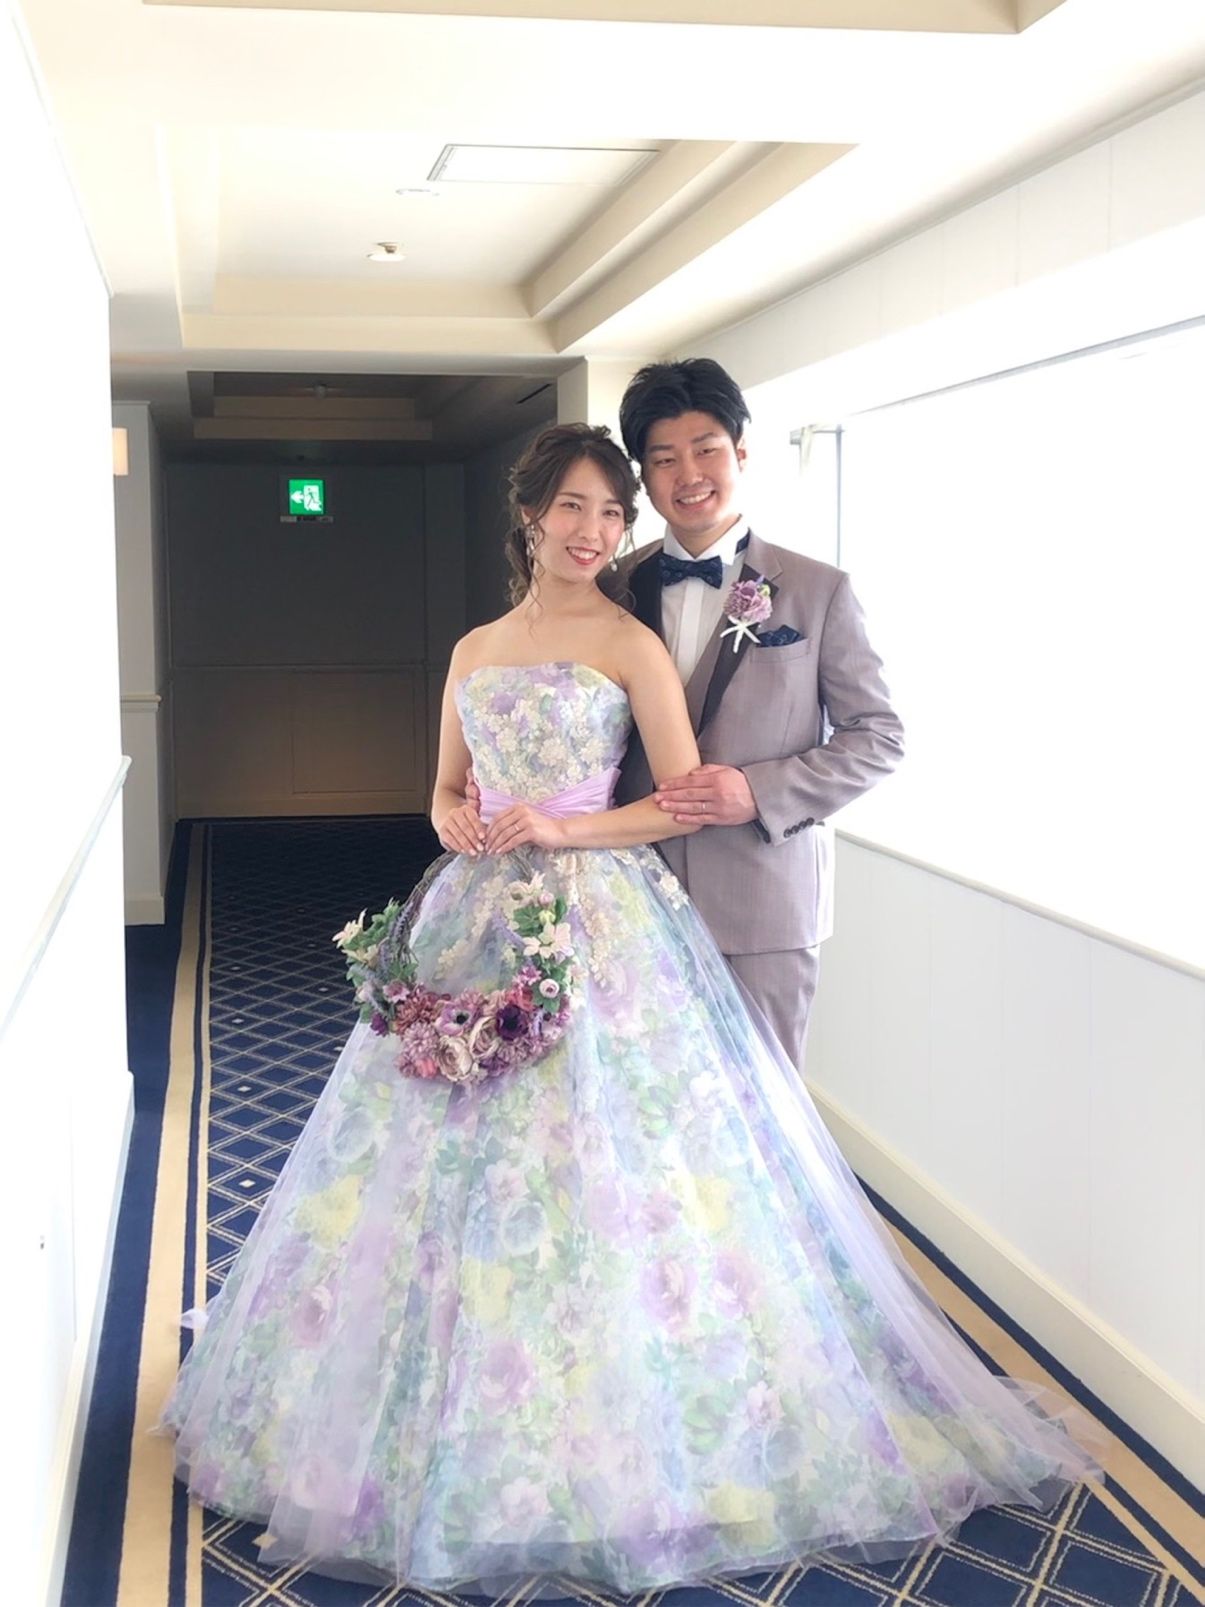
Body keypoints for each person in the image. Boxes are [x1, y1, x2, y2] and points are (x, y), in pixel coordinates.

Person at [158, 423, 1096, 1593]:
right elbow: (442, 784)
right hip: (470, 911)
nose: (594, 530)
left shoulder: (630, 641)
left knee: (614, 1158)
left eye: (611, 511)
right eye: (573, 506)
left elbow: (679, 798)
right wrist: (452, 816)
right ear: (529, 516)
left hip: (597, 912)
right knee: (434, 1146)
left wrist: (564, 829)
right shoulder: (473, 646)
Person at [613, 358, 904, 1068]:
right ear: (643, 477)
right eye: (664, 459)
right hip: (630, 901)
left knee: (764, 1105)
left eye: (706, 449)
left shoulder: (818, 590)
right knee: (645, 1103)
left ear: (740, 452)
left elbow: (877, 736)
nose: (688, 475)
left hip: (763, 907)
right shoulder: (613, 588)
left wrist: (758, 790)